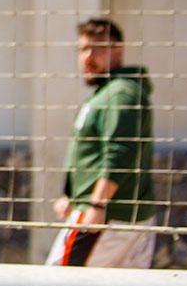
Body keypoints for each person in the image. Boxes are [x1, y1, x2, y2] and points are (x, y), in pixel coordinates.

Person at [46, 18, 157, 267]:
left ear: (118, 50)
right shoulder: (107, 92)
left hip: (105, 216)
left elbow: (121, 151)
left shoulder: (120, 93)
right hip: (120, 217)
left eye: (97, 48)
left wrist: (96, 203)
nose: (88, 57)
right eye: (83, 49)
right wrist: (71, 194)